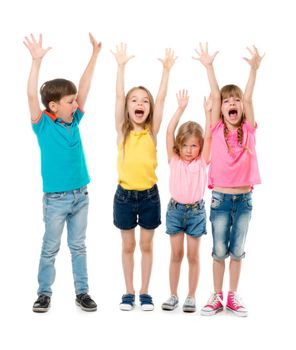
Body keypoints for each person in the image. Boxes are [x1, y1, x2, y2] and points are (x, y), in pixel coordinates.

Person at [24, 33, 101, 312]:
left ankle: (83, 292)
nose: (75, 103)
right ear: (54, 106)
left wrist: (94, 54)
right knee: (50, 247)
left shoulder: (75, 120)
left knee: (78, 247)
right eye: (70, 101)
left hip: (81, 196)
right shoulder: (43, 124)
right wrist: (36, 62)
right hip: (55, 200)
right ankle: (44, 293)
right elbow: (32, 95)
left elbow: (85, 86)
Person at [194, 43, 264, 317]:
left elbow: (248, 98)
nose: (232, 103)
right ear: (219, 110)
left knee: (238, 250)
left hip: (244, 199)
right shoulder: (217, 127)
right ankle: (216, 295)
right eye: (226, 101)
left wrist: (254, 71)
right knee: (218, 250)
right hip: (220, 199)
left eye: (235, 100)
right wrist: (209, 67)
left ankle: (233, 295)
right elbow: (214, 92)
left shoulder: (248, 129)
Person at [111, 43, 176, 311]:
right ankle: (128, 292)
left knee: (146, 245)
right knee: (128, 246)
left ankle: (145, 292)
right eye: (134, 100)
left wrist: (166, 70)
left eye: (144, 101)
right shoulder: (122, 130)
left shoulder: (152, 131)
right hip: (124, 196)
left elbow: (161, 100)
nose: (140, 104)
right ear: (127, 108)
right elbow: (117, 97)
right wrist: (121, 66)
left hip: (149, 195)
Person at [161, 90, 211, 313]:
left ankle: (191, 296)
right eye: (185, 146)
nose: (189, 151)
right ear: (179, 146)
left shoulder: (202, 162)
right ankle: (173, 295)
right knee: (176, 254)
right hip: (175, 211)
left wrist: (207, 113)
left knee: (192, 255)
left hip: (196, 212)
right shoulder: (174, 160)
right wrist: (180, 108)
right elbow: (169, 131)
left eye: (194, 146)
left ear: (199, 147)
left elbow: (209, 136)